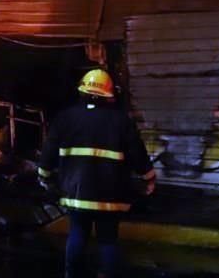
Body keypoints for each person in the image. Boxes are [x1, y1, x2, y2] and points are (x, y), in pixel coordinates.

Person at [38, 69, 156, 278]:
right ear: (109, 94)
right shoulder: (121, 121)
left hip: (76, 194)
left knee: (77, 234)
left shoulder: (66, 118)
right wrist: (149, 178)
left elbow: (48, 152)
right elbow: (137, 154)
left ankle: (72, 275)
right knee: (108, 240)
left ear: (83, 91)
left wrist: (45, 177)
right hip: (111, 196)